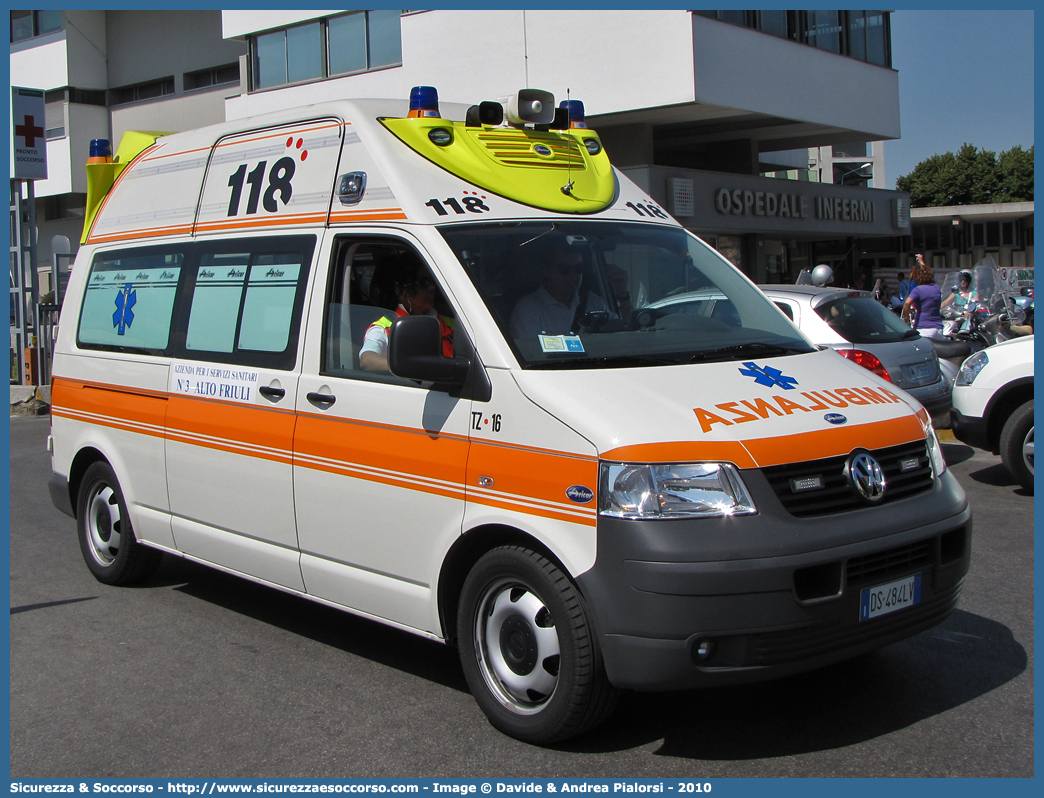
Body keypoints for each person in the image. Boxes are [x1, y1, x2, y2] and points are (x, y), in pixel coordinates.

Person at [509, 246, 631, 339]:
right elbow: (532, 354)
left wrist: (622, 294)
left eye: (579, 269)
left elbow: (625, 333)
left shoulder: (593, 302)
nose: (573, 276)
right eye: (564, 269)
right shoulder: (528, 309)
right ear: (547, 271)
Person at [359, 259, 454, 372]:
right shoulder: (384, 327)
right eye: (425, 282)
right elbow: (367, 361)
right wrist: (412, 368)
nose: (433, 287)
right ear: (402, 292)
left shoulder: (448, 322)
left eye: (432, 280)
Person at [901, 255, 943, 338]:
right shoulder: (935, 287)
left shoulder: (918, 290)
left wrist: (906, 320)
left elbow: (907, 303)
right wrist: (921, 261)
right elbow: (927, 273)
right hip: (938, 329)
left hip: (924, 328)